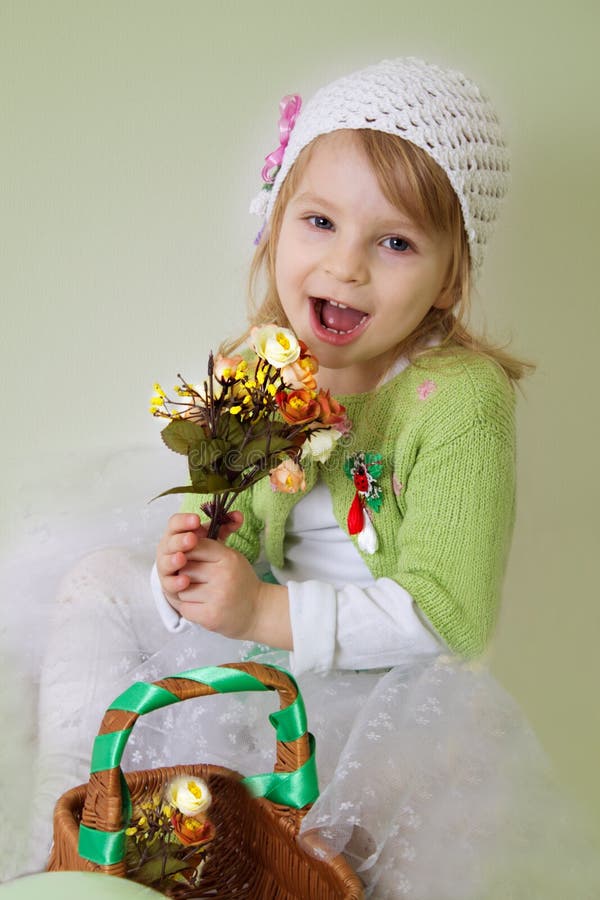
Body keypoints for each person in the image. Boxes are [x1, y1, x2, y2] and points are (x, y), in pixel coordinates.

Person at [32, 59, 599, 898]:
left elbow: (452, 617)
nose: (346, 267)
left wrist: (263, 608)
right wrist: (184, 566)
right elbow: (226, 531)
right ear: (275, 226)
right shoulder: (258, 361)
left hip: (383, 684)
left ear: (450, 276)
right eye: (320, 222)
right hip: (254, 641)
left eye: (395, 241)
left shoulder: (457, 401)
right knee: (96, 584)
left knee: (388, 804)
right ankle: (73, 838)